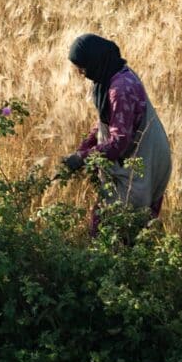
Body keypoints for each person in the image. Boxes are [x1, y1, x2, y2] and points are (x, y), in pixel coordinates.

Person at [62, 34, 172, 232]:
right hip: (140, 156)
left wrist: (82, 158)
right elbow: (106, 123)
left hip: (144, 161)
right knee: (127, 230)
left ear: (95, 61)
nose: (80, 72)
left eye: (82, 66)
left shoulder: (120, 89)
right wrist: (84, 147)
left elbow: (119, 141)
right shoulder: (111, 75)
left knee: (112, 229)